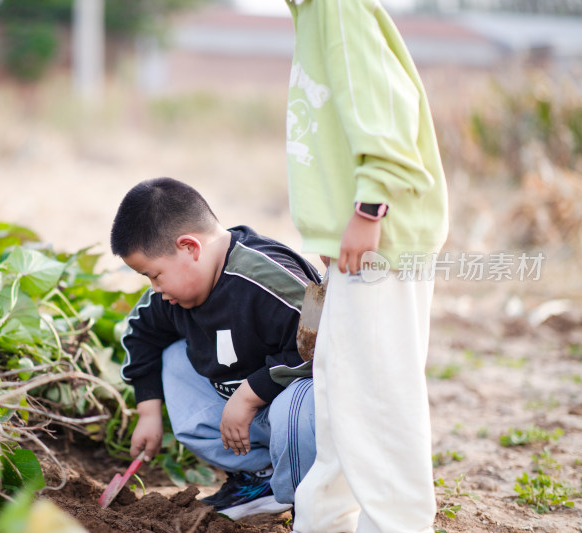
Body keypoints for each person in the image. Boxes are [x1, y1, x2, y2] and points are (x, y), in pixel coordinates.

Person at [284, 1, 450, 533]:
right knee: (341, 400)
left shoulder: (338, 6)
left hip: (379, 246)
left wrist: (368, 209)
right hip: (357, 246)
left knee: (378, 408)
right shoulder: (311, 11)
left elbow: (384, 111)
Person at [110, 177, 322, 520]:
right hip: (247, 416)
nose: (156, 288)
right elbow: (141, 336)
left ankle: (308, 500)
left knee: (300, 402)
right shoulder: (172, 296)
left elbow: (321, 344)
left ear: (190, 247)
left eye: (155, 275)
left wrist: (250, 394)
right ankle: (263, 480)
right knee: (172, 357)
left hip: (302, 418)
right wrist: (148, 413)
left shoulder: (266, 278)